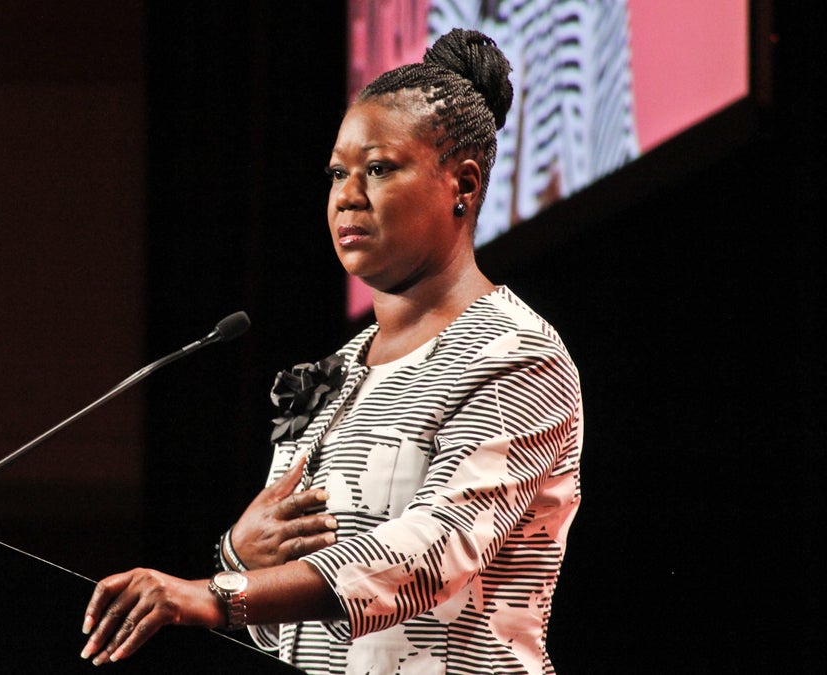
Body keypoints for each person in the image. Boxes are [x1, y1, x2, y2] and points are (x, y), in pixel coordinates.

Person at [80, 28, 583, 674]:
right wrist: (235, 555)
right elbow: (277, 624)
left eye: (379, 168)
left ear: (463, 182)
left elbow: (432, 554)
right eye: (337, 173)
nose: (347, 194)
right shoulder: (326, 378)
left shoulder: (518, 356)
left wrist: (210, 593)